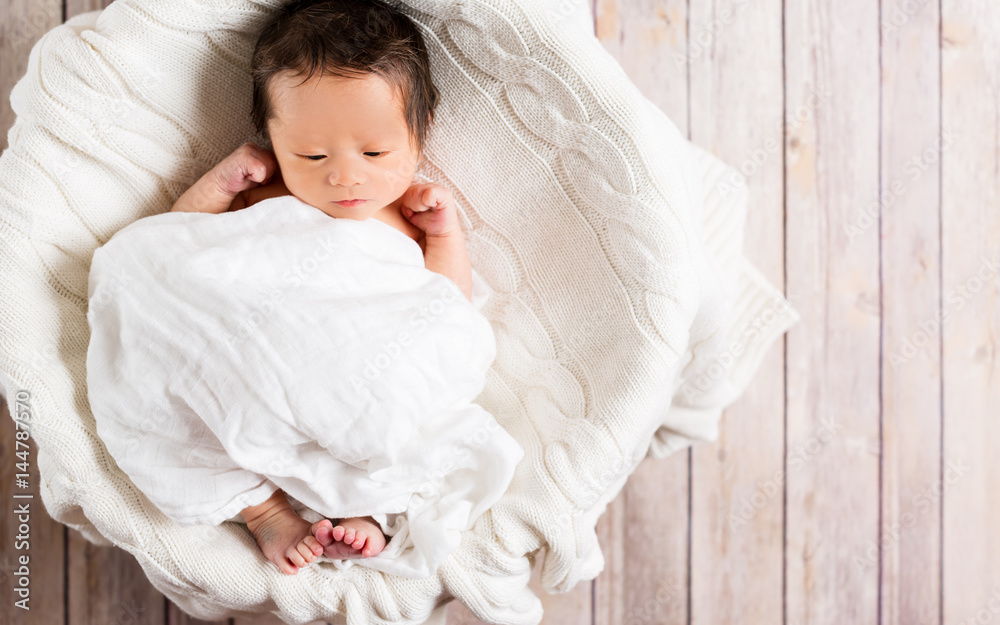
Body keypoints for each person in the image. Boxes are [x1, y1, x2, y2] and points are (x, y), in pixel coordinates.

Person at [169, 0, 466, 576]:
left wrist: (445, 235)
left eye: (375, 152)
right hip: (260, 359)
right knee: (195, 404)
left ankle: (366, 513)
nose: (345, 175)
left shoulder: (406, 218)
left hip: (362, 372)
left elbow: (447, 311)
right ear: (271, 141)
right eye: (311, 154)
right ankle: (263, 510)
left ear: (420, 132)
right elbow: (177, 250)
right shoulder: (264, 197)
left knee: (402, 427)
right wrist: (220, 184)